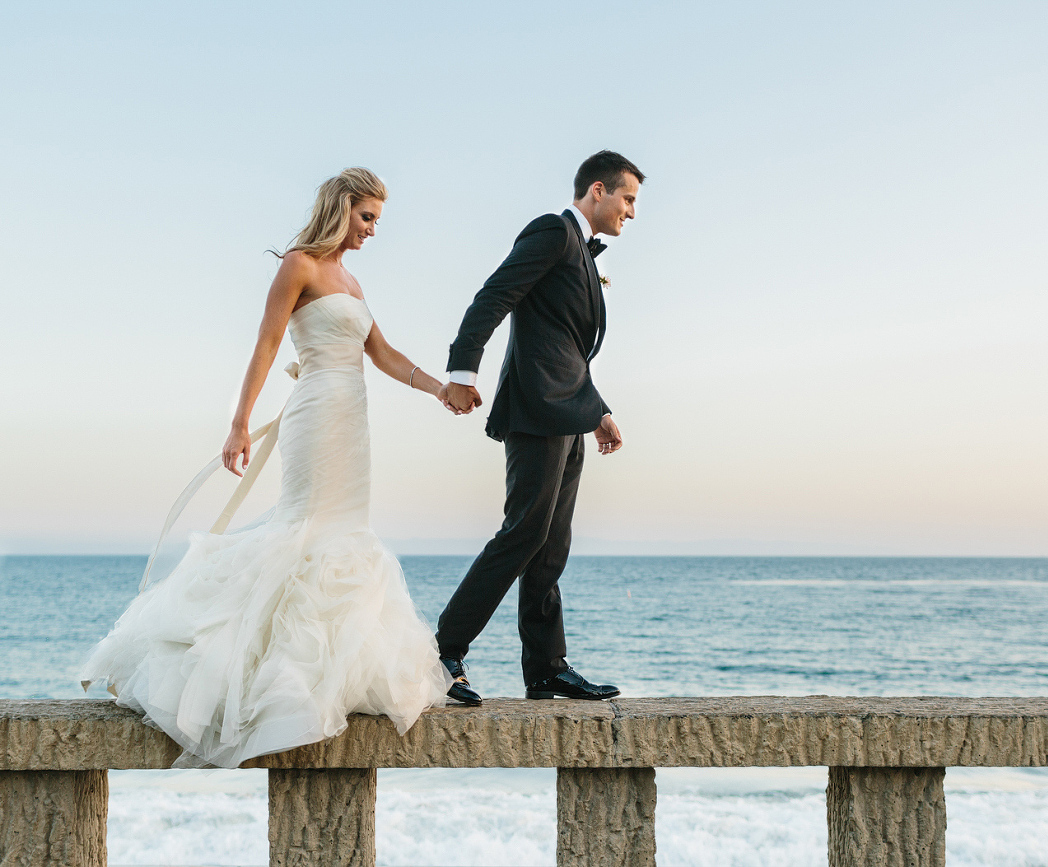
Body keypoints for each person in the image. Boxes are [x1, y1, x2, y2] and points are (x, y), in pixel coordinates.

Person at [80, 168, 454, 768]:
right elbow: (266, 344)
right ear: (341, 207)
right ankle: (261, 675)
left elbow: (382, 353)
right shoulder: (299, 265)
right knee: (303, 527)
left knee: (345, 533)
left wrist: (438, 390)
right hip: (314, 413)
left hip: (353, 418)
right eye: (367, 217)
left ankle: (330, 675)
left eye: (378, 221)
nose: (372, 230)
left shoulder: (353, 284)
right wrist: (238, 423)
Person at [435, 150, 643, 704]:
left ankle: (547, 669)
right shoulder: (553, 232)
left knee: (552, 544)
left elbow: (567, 347)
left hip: (567, 411)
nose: (631, 211)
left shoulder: (579, 249)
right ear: (597, 191)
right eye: (628, 199)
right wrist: (461, 371)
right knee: (524, 532)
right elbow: (494, 295)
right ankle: (443, 650)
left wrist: (595, 410)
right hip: (534, 408)